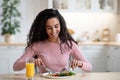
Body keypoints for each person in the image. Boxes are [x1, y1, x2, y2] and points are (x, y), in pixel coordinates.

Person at [13, 9, 92, 73]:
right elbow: (15, 67)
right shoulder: (37, 45)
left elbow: (89, 67)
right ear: (44, 28)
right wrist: (31, 61)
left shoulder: (69, 44)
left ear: (61, 25)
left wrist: (80, 64)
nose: (54, 31)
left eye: (56, 26)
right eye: (49, 28)